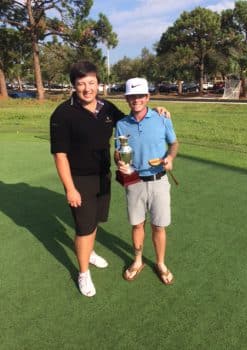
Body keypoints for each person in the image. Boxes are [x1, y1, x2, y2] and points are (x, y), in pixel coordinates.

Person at [50, 61, 170, 297]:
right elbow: (60, 155)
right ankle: (83, 272)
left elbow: (132, 120)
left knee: (95, 220)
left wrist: (158, 110)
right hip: (79, 178)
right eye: (81, 84)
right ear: (74, 86)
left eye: (91, 83)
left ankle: (90, 252)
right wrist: (70, 188)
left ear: (98, 83)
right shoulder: (63, 114)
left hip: (103, 175)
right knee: (84, 228)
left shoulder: (106, 108)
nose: (87, 88)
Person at [114, 77, 179, 285]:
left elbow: (174, 143)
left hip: (159, 180)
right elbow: (118, 152)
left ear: (148, 97)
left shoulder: (162, 118)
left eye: (140, 95)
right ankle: (138, 260)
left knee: (159, 226)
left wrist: (169, 158)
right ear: (126, 98)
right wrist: (119, 162)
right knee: (137, 224)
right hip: (134, 181)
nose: (137, 100)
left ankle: (160, 263)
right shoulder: (121, 124)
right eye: (132, 96)